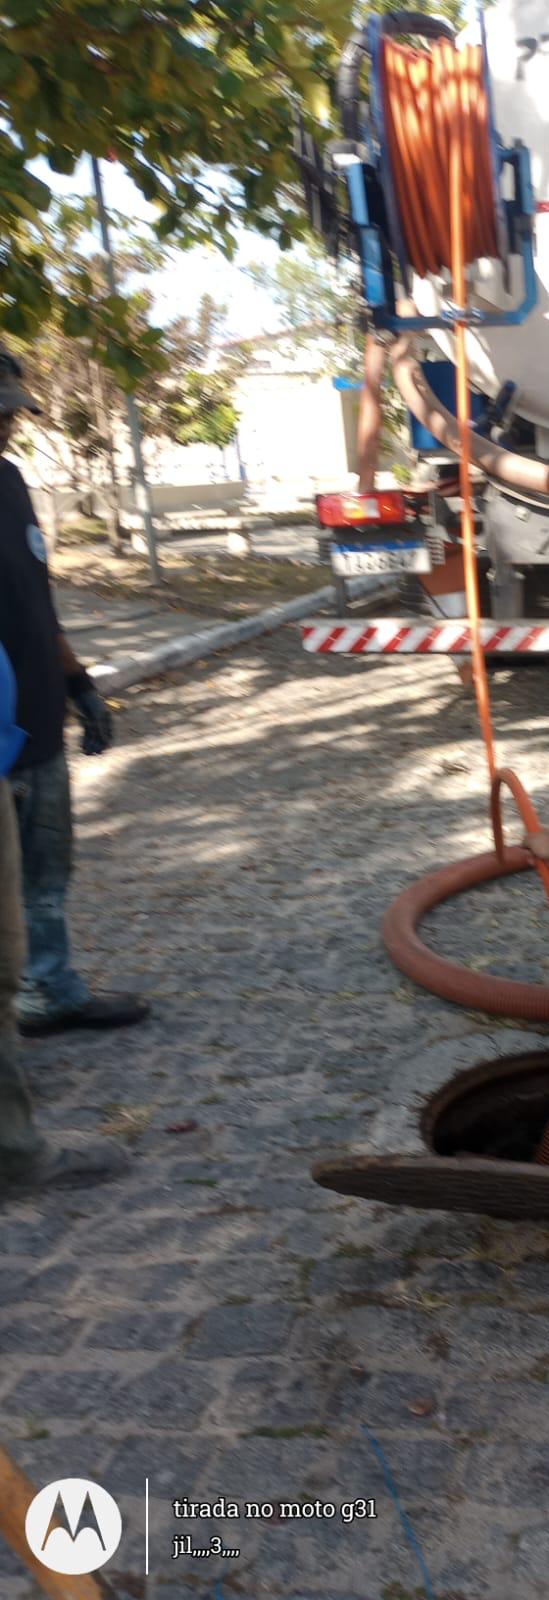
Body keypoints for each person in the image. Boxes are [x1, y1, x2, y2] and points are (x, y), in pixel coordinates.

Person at [0, 350, 148, 1036]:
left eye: (11, 412)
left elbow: (38, 600)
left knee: (46, 877)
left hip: (35, 722)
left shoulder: (9, 482)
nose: (8, 425)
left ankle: (50, 991)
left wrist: (78, 683)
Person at [1, 640, 128, 1197]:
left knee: (14, 946)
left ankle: (51, 992)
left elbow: (42, 619)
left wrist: (78, 685)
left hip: (21, 746)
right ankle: (13, 1158)